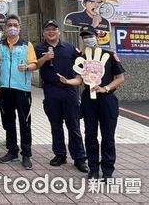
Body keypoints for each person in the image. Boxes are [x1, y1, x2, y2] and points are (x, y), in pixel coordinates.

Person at [58, 26, 125, 179]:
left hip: (107, 100)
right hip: (89, 101)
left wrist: (106, 88)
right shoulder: (81, 59)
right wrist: (67, 81)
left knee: (108, 136)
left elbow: (120, 78)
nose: (88, 39)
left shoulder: (110, 55)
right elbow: (79, 79)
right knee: (90, 135)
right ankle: (93, 168)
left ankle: (108, 170)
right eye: (85, 37)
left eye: (90, 36)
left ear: (97, 37)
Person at [34, 20, 88, 173]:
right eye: (48, 29)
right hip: (51, 90)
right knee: (55, 125)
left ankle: (79, 158)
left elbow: (82, 63)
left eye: (54, 29)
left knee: (73, 125)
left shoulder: (69, 48)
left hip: (69, 90)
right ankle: (60, 154)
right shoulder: (39, 48)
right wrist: (44, 58)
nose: (51, 32)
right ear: (44, 33)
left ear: (59, 31)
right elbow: (34, 65)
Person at [0, 14, 37, 170]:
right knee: (8, 121)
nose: (12, 27)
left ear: (19, 27)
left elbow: (34, 64)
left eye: (15, 25)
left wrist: (28, 68)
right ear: (6, 27)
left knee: (25, 122)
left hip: (22, 89)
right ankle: (12, 151)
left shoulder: (27, 45)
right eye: (9, 25)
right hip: (4, 89)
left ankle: (26, 154)